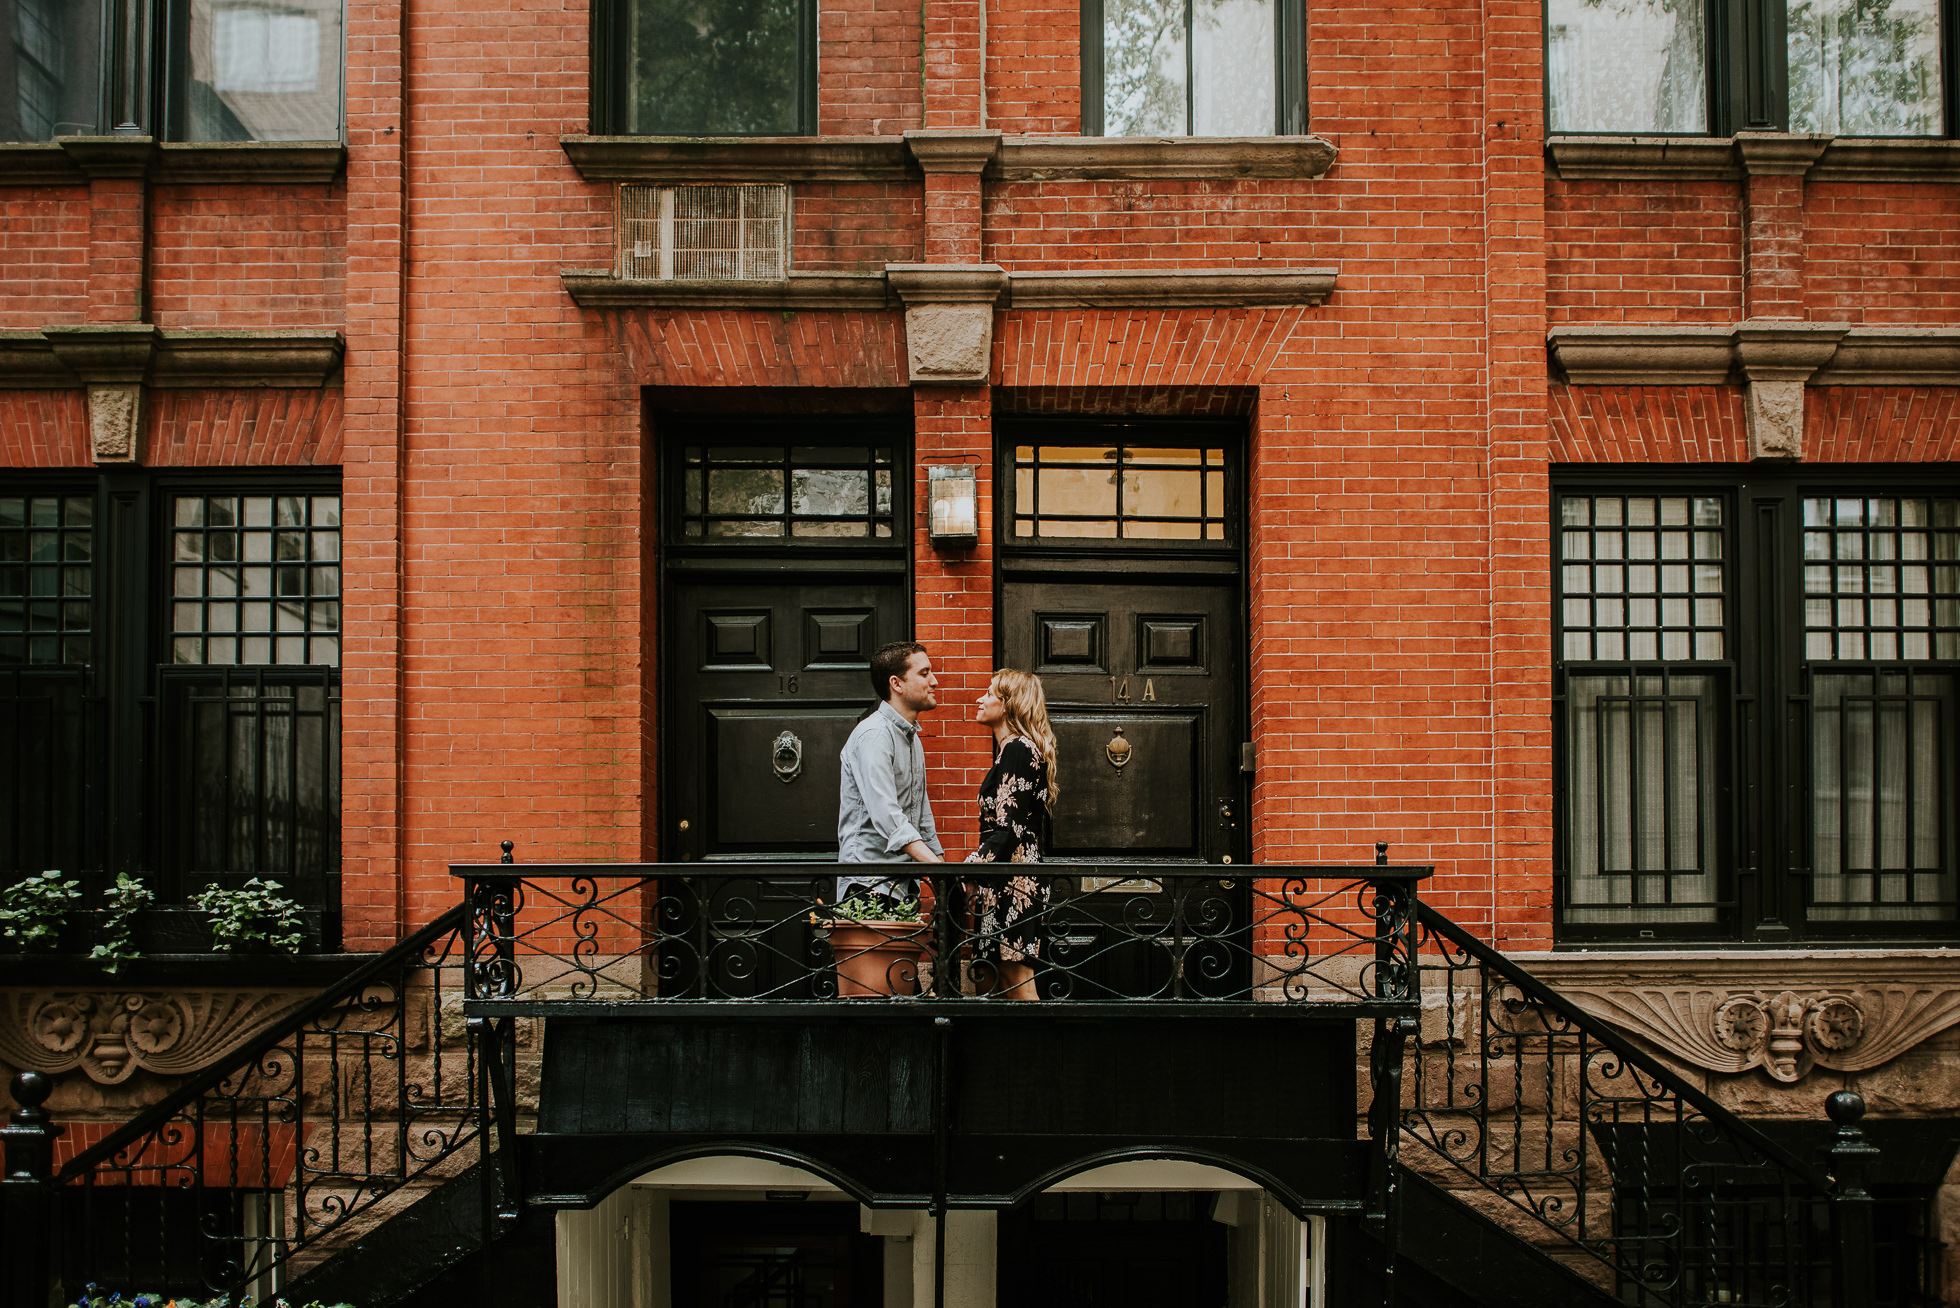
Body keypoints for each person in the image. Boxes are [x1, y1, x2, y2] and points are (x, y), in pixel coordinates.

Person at [964, 668, 1059, 1001]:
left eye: (989, 694)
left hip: (1014, 878)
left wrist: (970, 866)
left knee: (1016, 980)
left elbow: (1009, 828)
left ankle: (1037, 1051)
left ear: (1008, 704)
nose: (981, 698)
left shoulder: (1019, 748)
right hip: (1002, 874)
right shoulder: (1010, 751)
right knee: (995, 978)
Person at [836, 641, 945, 910]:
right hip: (867, 886)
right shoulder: (874, 735)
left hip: (903, 887)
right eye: (924, 673)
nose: (935, 681)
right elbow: (887, 814)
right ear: (896, 683)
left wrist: (944, 869)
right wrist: (936, 868)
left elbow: (922, 816)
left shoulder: (911, 738)